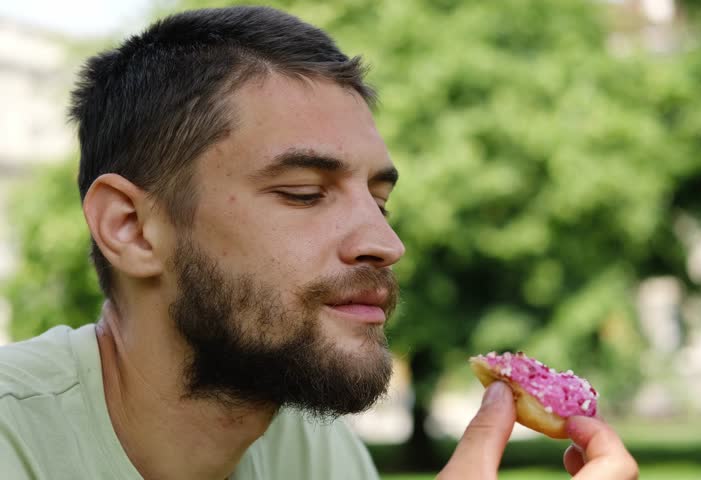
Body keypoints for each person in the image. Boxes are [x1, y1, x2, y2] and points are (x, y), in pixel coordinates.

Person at [0, 6, 638, 479]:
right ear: (132, 229)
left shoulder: (314, 450)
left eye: (380, 201)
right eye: (304, 193)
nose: (386, 243)